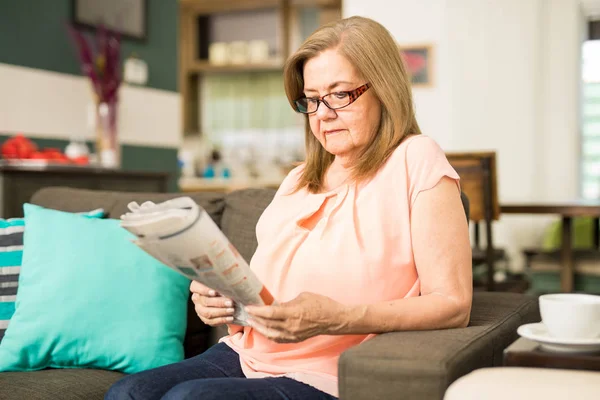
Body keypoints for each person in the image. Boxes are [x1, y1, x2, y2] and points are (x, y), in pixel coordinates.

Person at [105, 15, 472, 400]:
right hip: (248, 353)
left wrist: (339, 318)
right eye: (312, 99)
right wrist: (221, 300)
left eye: (340, 94)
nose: (323, 113)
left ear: (384, 89)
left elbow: (452, 304)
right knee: (128, 393)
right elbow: (267, 285)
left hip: (328, 371)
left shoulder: (416, 159)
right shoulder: (298, 179)